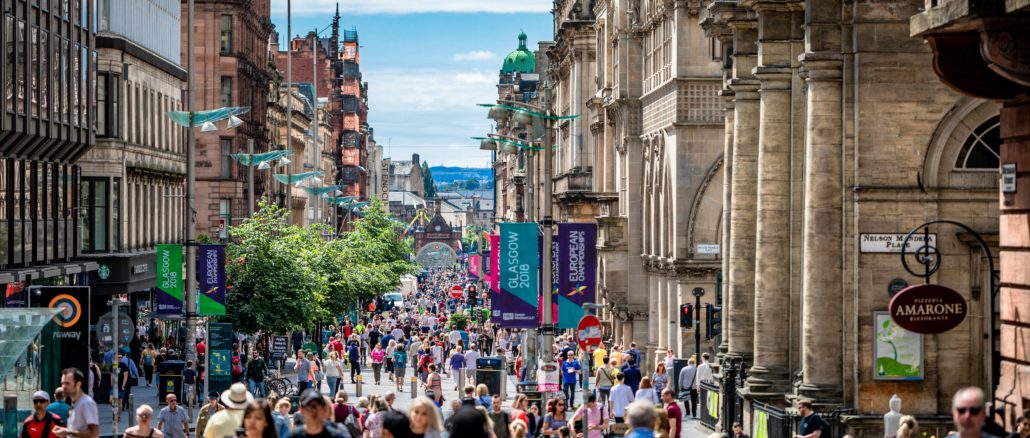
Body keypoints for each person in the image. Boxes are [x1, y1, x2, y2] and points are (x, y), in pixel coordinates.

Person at [53, 368, 99, 438]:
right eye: (62, 383)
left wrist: (67, 432)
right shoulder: (75, 403)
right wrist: (65, 430)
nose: (64, 387)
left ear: (78, 384)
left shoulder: (86, 403)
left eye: (67, 383)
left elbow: (94, 433)